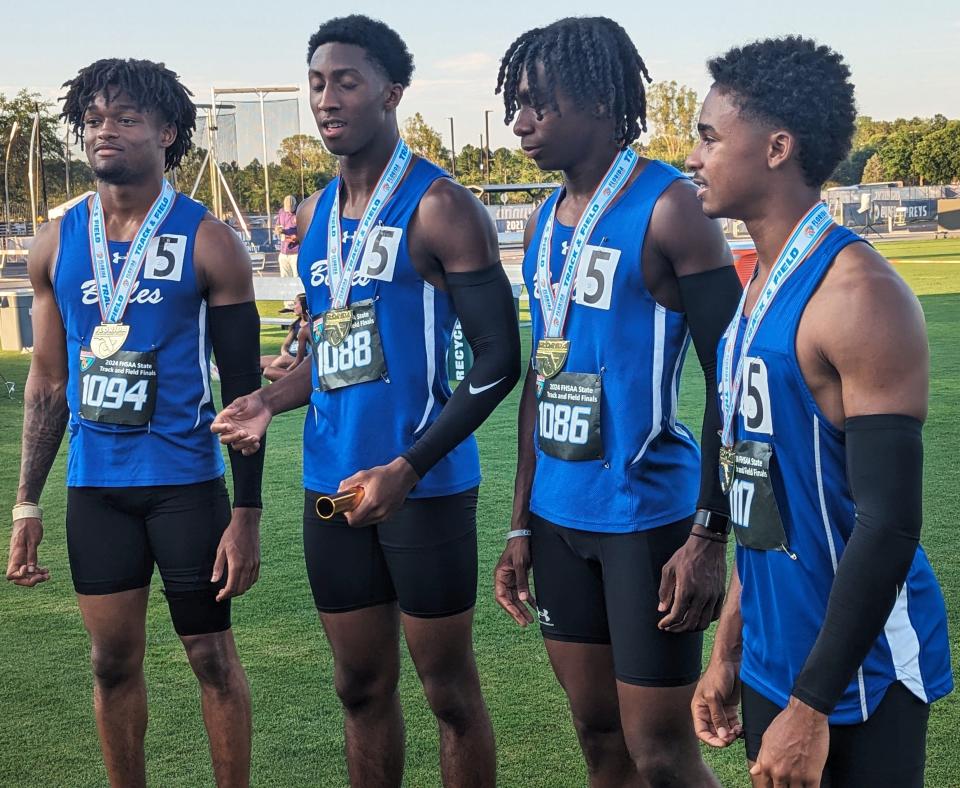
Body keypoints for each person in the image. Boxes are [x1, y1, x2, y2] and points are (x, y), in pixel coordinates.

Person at [212, 15, 519, 788]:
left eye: (345, 81)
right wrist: (268, 401)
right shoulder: (313, 218)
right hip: (332, 485)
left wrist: (410, 467)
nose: (326, 99)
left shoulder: (441, 205)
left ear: (391, 91)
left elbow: (499, 359)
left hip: (424, 487)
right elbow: (337, 358)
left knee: (449, 694)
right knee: (358, 689)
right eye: (316, 84)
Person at [687, 36, 952, 787]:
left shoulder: (857, 294)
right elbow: (760, 493)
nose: (695, 154)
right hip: (777, 658)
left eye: (709, 135)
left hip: (856, 677)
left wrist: (812, 706)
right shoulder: (759, 289)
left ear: (777, 147)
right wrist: (731, 646)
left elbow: (890, 523)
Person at [491, 17, 743, 787]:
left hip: (648, 523)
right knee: (599, 739)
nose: (520, 123)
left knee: (662, 755)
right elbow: (544, 374)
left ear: (600, 99)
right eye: (514, 105)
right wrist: (518, 521)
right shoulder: (540, 221)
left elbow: (735, 382)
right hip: (560, 520)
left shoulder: (672, 209)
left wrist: (708, 535)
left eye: (538, 103)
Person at [5, 58, 265, 788]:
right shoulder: (55, 244)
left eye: (123, 117)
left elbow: (244, 388)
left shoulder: (210, 240)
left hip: (186, 486)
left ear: (167, 130)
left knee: (212, 660)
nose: (103, 131)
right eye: (91, 119)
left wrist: (245, 513)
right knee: (110, 663)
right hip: (98, 493)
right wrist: (27, 502)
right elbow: (49, 382)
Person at [260, 293, 310, 381]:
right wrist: (285, 353)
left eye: (295, 303)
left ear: (304, 305)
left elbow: (308, 356)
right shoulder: (296, 324)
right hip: (288, 357)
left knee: (270, 370)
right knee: (259, 362)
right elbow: (286, 344)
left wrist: (287, 359)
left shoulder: (310, 327)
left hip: (303, 359)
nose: (293, 307)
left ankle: (279, 381)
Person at [276, 195, 299, 309]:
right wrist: (278, 230)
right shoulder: (281, 212)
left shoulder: (300, 213)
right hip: (283, 251)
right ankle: (288, 305)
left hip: (296, 252)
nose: (289, 210)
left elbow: (305, 231)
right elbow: (277, 227)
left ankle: (298, 304)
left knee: (296, 278)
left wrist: (297, 237)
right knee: (284, 278)